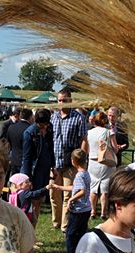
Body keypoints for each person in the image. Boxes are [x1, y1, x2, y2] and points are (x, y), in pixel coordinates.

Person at [51, 88, 88, 230]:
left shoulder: (78, 118)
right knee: (54, 193)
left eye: (64, 100)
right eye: (59, 100)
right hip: (55, 161)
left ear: (70, 101)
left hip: (71, 163)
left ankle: (65, 226)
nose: (61, 103)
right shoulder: (53, 117)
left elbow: (83, 140)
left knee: (68, 195)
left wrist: (81, 160)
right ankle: (56, 222)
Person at [50, 149, 93, 253]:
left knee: (70, 233)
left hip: (78, 210)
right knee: (81, 233)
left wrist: (71, 200)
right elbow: (75, 188)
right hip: (86, 209)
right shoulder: (85, 173)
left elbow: (82, 191)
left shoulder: (79, 175)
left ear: (73, 161)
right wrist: (59, 187)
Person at [87, 110, 116, 218]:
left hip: (92, 161)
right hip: (105, 161)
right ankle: (103, 212)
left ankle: (93, 211)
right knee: (105, 189)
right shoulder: (109, 132)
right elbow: (115, 148)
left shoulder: (89, 132)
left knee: (93, 188)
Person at [6, 108, 32, 177]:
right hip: (25, 161)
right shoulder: (30, 129)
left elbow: (9, 142)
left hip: (14, 158)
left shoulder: (11, 127)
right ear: (30, 117)